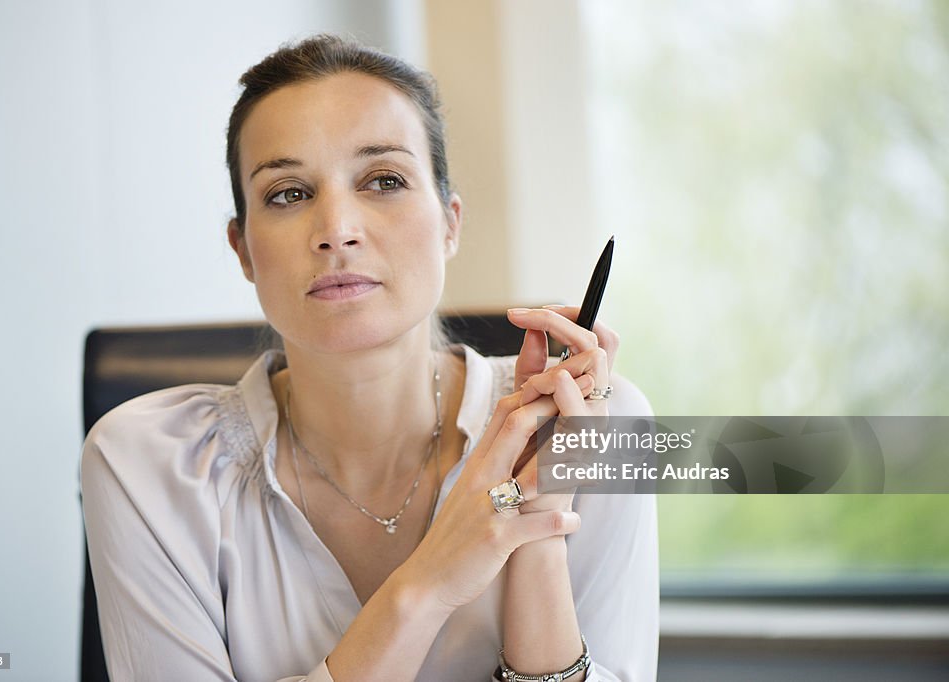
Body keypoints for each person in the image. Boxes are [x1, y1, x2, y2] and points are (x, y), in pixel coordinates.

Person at [81, 34, 658, 682]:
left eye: (384, 180)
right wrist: (429, 583)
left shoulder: (595, 423)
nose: (337, 229)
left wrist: (536, 533)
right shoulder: (148, 462)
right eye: (288, 193)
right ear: (243, 250)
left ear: (450, 222)